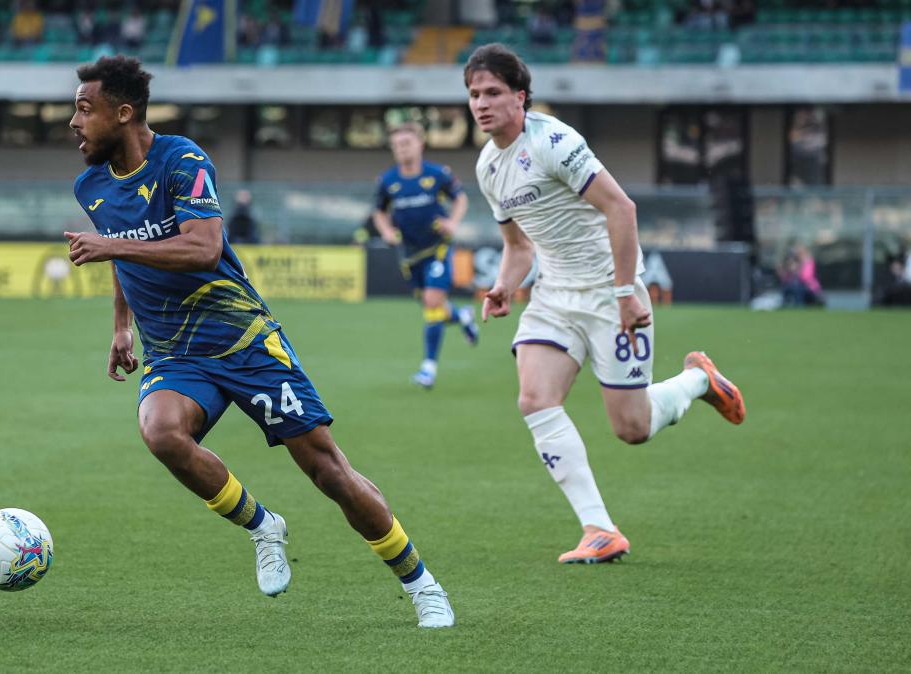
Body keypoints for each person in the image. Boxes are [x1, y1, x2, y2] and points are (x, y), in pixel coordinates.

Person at [63, 56, 454, 628]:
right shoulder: (90, 184)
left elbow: (201, 248)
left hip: (244, 341)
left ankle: (422, 585)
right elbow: (122, 253)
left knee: (329, 472)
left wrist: (112, 248)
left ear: (123, 113)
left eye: (83, 108)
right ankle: (262, 525)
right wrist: (122, 326)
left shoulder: (184, 160)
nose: (73, 122)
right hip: (175, 352)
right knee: (162, 432)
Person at [466, 44, 746, 564]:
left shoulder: (552, 140)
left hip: (608, 292)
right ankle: (599, 528)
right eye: (474, 94)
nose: (481, 103)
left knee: (631, 429)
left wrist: (624, 293)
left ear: (520, 97)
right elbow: (518, 246)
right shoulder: (488, 166)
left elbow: (622, 208)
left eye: (493, 93)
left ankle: (699, 380)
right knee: (534, 399)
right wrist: (506, 284)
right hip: (553, 296)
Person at [372, 122, 478, 389]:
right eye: (396, 145)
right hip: (410, 254)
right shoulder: (388, 181)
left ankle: (428, 368)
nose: (401, 149)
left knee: (432, 302)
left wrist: (453, 223)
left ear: (420, 144)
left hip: (438, 249)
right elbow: (379, 211)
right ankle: (463, 316)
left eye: (406, 143)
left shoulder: (437, 174)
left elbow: (461, 199)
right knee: (435, 307)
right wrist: (386, 231)